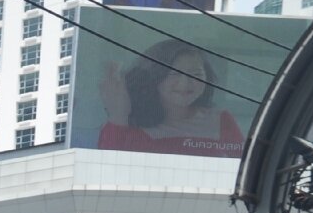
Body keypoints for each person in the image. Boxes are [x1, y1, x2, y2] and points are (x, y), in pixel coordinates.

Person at [97, 41, 244, 159]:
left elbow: (245, 170)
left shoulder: (221, 120)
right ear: (154, 76)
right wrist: (118, 115)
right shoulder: (128, 123)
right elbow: (108, 167)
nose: (184, 84)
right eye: (174, 74)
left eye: (196, 74)